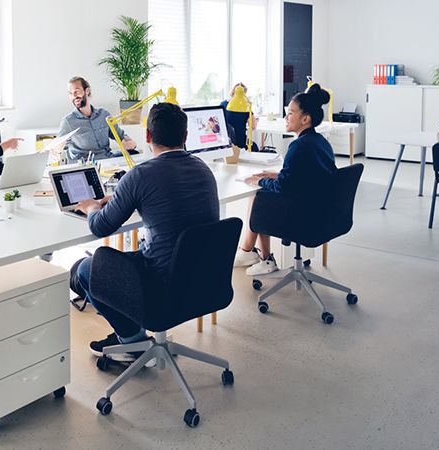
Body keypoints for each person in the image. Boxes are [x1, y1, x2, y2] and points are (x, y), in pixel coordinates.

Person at [71, 102, 219, 362]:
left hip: (161, 283)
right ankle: (130, 337)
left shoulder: (140, 175)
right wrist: (123, 198)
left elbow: (100, 227)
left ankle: (131, 341)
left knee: (85, 268)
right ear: (185, 137)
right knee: (131, 254)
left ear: (148, 136)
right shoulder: (203, 170)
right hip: (202, 279)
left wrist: (94, 207)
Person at [233, 84, 336, 276]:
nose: (285, 117)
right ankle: (249, 252)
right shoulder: (320, 142)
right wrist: (277, 175)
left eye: (290, 113)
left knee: (260, 196)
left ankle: (260, 257)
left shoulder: (298, 146)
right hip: (324, 212)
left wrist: (260, 181)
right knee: (263, 191)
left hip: (304, 216)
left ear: (305, 119)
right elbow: (309, 176)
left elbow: (282, 187)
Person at [54, 76, 138, 162]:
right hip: (87, 166)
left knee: (135, 155)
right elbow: (57, 147)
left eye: (77, 91)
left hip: (108, 161)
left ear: (87, 91)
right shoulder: (68, 122)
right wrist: (57, 150)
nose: (74, 96)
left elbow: (121, 136)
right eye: (71, 93)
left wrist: (128, 142)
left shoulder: (104, 115)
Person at [220, 82, 260, 151]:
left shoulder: (223, 104)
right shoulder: (244, 106)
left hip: (226, 142)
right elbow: (253, 125)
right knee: (255, 147)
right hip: (241, 142)